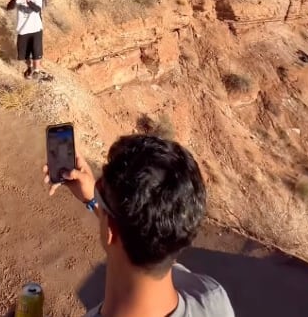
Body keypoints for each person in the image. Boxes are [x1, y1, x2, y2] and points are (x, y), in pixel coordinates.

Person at [44, 135, 234, 317]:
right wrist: (96, 200)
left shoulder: (212, 294)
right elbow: (152, 236)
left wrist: (101, 202)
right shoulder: (213, 300)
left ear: (110, 229)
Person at [6, 0, 45, 79]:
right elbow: (9, 8)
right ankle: (30, 67)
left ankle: (37, 70)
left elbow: (37, 9)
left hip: (35, 29)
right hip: (22, 30)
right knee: (25, 55)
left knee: (36, 52)